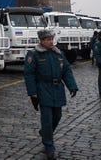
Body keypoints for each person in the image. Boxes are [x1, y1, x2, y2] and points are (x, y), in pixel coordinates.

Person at [24, 29, 78, 160]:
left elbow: (66, 70)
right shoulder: (34, 54)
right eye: (48, 40)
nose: (51, 42)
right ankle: (49, 146)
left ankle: (44, 133)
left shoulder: (58, 53)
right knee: (47, 119)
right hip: (43, 89)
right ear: (41, 41)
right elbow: (29, 74)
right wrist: (33, 93)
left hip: (57, 89)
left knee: (57, 116)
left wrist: (72, 86)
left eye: (51, 39)